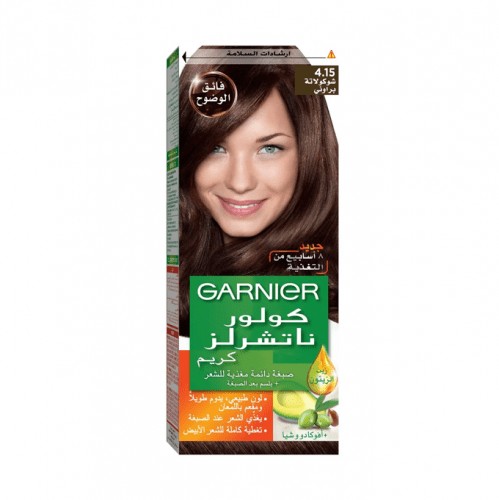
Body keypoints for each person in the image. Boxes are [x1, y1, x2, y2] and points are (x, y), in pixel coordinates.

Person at [178, 46, 338, 336]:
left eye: (269, 148)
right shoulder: (176, 269)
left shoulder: (323, 304)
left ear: (309, 153)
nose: (240, 183)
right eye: (215, 147)